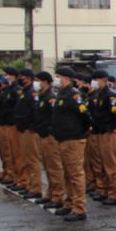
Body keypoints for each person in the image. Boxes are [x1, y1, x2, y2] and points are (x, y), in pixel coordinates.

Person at [50, 67, 91, 222]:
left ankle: (79, 207)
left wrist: (84, 129)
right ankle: (70, 203)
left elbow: (84, 114)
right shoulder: (62, 93)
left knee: (75, 173)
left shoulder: (73, 94)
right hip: (64, 137)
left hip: (73, 138)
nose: (56, 79)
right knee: (68, 173)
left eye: (58, 76)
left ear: (66, 78)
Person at [31, 71, 65, 209]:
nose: (35, 83)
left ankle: (58, 196)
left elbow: (55, 116)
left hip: (50, 136)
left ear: (44, 82)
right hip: (43, 135)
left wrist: (49, 130)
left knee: (54, 167)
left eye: (37, 80)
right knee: (48, 166)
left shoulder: (51, 97)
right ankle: (50, 193)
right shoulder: (42, 96)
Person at [90, 69, 116, 205]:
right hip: (101, 131)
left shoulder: (110, 95)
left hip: (109, 132)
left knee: (111, 164)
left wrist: (112, 127)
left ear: (102, 80)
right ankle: (105, 191)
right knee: (103, 164)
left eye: (95, 80)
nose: (93, 82)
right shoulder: (99, 94)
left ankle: (115, 194)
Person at [14, 68, 43, 199]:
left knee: (32, 160)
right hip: (23, 129)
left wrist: (33, 126)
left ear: (29, 78)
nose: (19, 79)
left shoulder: (32, 93)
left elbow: (36, 111)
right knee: (27, 159)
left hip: (30, 130)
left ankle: (36, 188)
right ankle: (30, 185)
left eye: (22, 76)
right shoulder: (24, 91)